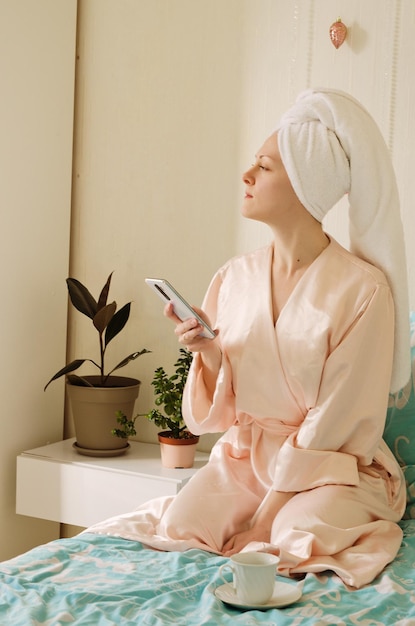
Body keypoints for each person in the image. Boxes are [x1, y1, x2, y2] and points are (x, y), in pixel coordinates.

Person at [87, 88, 411, 589]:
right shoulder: (234, 276)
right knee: (183, 523)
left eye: (264, 167)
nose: (247, 176)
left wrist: (264, 519)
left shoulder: (364, 290)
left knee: (287, 537)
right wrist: (210, 354)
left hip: (331, 470)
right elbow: (221, 409)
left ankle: (288, 518)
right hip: (247, 460)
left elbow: (337, 419)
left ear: (307, 185)